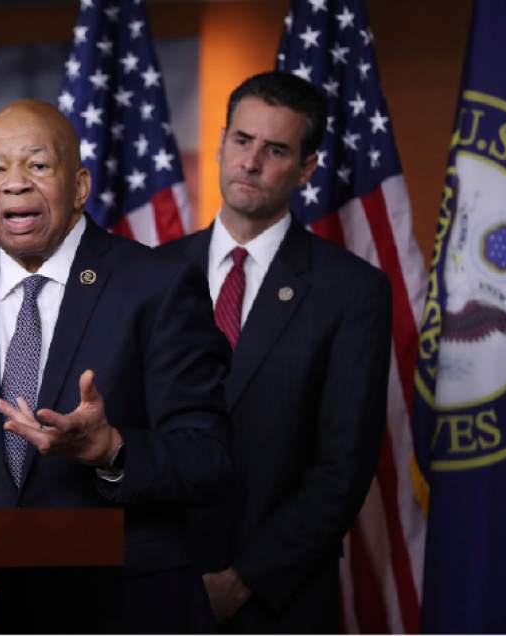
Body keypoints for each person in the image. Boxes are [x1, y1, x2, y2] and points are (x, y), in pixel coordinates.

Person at [0, 99, 232, 633]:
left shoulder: (157, 286)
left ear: (80, 185)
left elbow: (208, 458)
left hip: (122, 607)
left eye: (38, 165)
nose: (15, 184)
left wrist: (110, 449)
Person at [160, 71, 392, 632]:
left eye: (276, 149)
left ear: (306, 169)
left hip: (278, 601)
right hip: (158, 589)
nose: (251, 161)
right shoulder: (153, 274)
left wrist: (242, 582)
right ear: (220, 145)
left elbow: (343, 468)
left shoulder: (352, 291)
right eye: (242, 141)